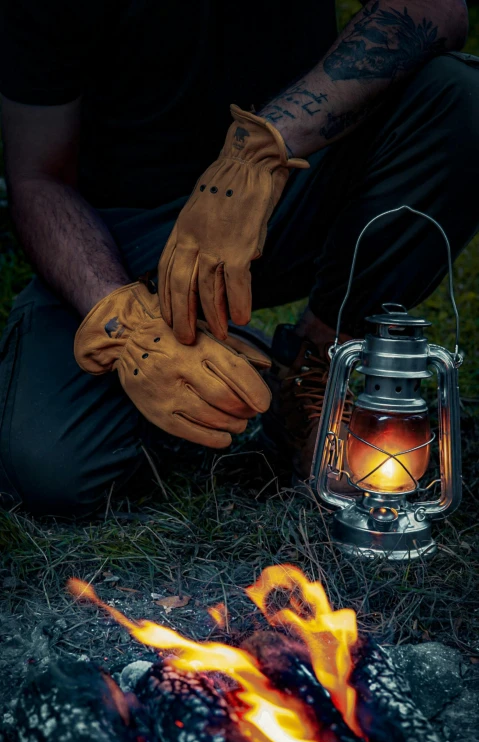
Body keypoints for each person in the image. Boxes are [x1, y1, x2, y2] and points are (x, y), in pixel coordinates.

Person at [0, 0, 477, 517]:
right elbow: (37, 178)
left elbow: (436, 9)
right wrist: (122, 323)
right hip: (118, 238)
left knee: (460, 99)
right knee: (47, 468)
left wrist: (262, 148)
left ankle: (314, 361)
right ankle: (191, 349)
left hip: (289, 186)